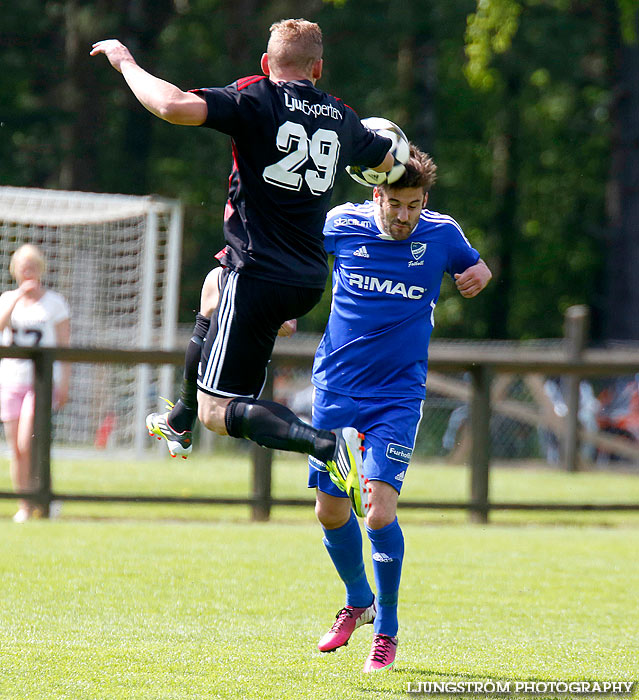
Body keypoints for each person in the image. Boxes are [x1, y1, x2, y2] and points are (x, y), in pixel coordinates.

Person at [91, 19, 396, 507]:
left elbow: (171, 105)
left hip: (258, 275)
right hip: (307, 279)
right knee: (214, 284)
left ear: (265, 64)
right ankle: (179, 421)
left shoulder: (257, 95)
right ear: (319, 68)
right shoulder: (342, 117)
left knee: (223, 412)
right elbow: (392, 163)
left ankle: (325, 445)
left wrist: (125, 62)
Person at [307, 145, 492, 672]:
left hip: (397, 396)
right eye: (395, 203)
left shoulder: (443, 233)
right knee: (330, 508)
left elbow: (474, 269)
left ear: (424, 200)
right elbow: (296, 262)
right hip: (337, 390)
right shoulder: (341, 224)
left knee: (379, 511)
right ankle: (357, 600)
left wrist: (478, 276)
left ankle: (385, 630)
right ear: (376, 194)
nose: (405, 215)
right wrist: (281, 309)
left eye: (414, 204)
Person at [0, 245, 71, 522]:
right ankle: (25, 505)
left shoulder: (55, 303)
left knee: (28, 442)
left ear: (41, 268)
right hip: (11, 381)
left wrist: (64, 383)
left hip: (42, 383)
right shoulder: (7, 299)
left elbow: (66, 347)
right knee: (15, 449)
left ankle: (42, 495)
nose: (28, 271)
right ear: (15, 269)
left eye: (32, 266)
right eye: (23, 266)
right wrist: (18, 297)